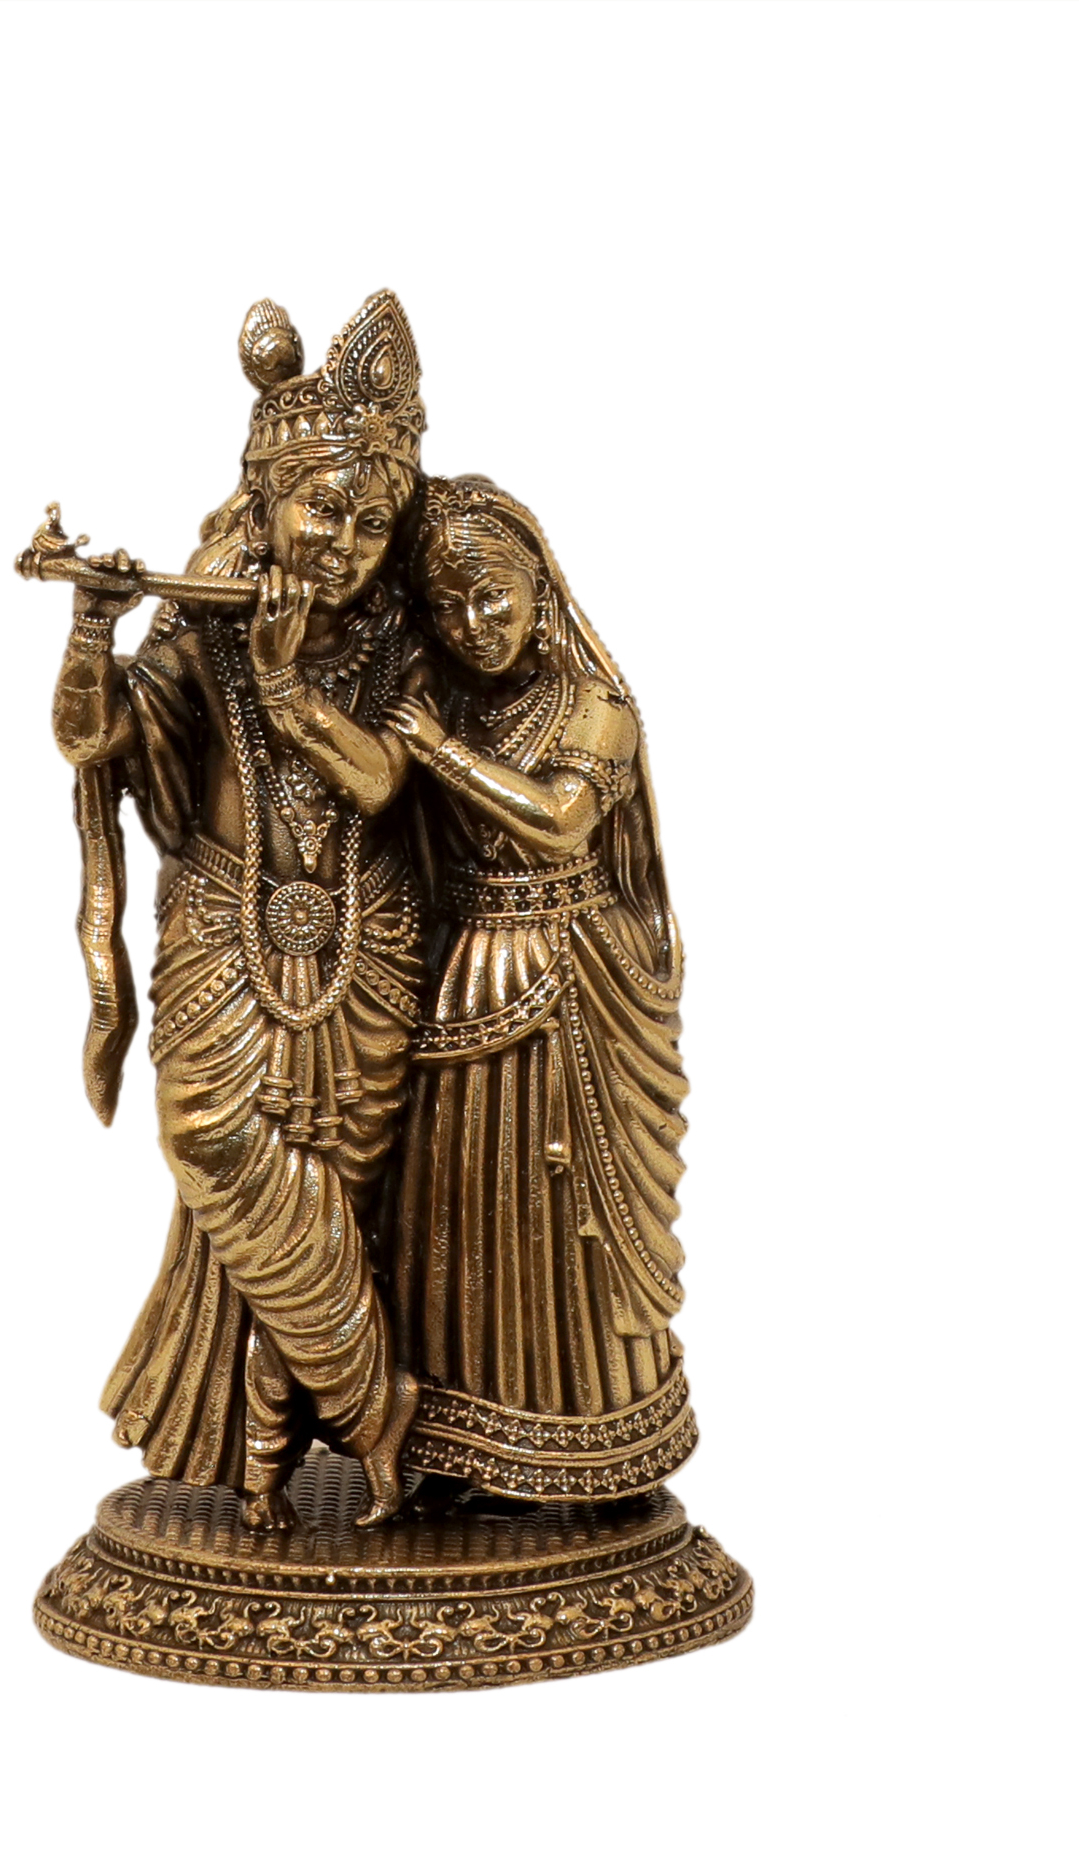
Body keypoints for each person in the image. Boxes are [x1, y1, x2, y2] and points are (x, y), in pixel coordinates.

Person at [52, 294, 433, 1528]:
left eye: (372, 522)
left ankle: (289, 1450)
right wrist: (92, 630)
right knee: (212, 1141)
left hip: (369, 940)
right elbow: (98, 735)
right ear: (265, 499)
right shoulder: (204, 615)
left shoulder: (396, 629)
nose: (346, 546)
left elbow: (379, 778)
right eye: (323, 511)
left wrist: (284, 684)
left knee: (331, 1207)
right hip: (223, 930)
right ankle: (377, 1404)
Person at [384, 476, 698, 1500]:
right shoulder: (445, 696)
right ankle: (457, 1442)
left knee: (568, 1206)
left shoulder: (594, 709)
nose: (472, 624)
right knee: (455, 1204)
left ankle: (596, 1446)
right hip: (463, 975)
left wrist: (438, 750)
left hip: (573, 981)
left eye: (492, 597)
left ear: (537, 591)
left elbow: (562, 821)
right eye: (448, 606)